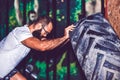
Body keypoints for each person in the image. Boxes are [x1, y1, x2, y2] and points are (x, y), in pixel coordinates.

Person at [0, 16, 75, 80]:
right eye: (45, 32)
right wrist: (64, 37)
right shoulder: (21, 32)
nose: (45, 35)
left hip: (7, 70)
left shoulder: (30, 37)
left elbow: (50, 47)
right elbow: (42, 46)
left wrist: (67, 39)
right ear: (39, 26)